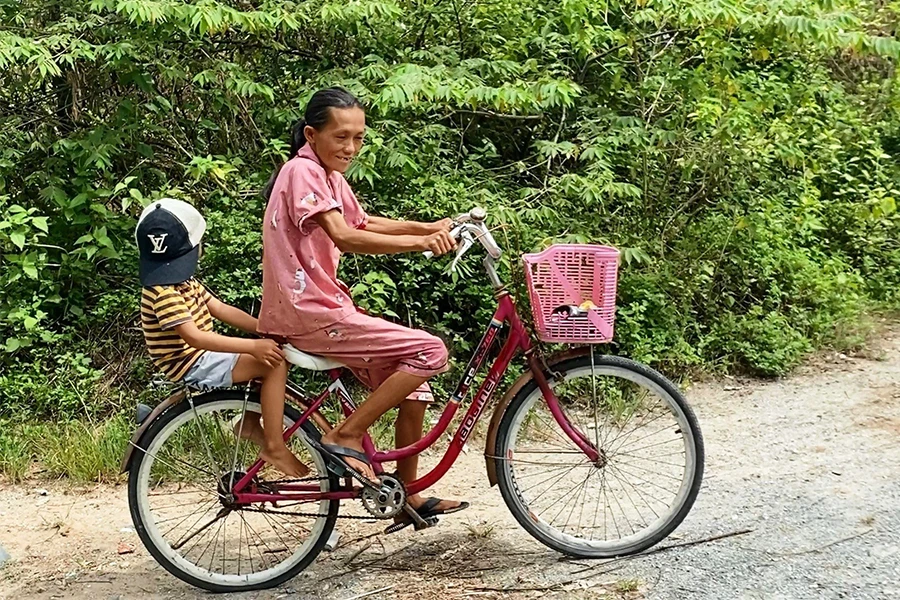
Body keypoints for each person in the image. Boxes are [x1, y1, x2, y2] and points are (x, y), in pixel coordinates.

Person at [259, 87, 468, 528]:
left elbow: (363, 221)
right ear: (311, 134)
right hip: (311, 313)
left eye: (359, 138)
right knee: (430, 351)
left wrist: (427, 224)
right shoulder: (302, 172)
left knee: (414, 390)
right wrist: (420, 242)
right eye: (341, 137)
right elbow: (345, 236)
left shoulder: (326, 173)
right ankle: (346, 435)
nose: (351, 147)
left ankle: (408, 495)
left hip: (324, 307)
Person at [136, 198, 308, 477]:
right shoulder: (162, 291)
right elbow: (195, 338)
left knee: (269, 353)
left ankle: (250, 423)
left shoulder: (183, 281)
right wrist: (254, 345)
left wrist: (265, 329)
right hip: (190, 362)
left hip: (200, 355)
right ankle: (275, 445)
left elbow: (219, 309)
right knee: (273, 364)